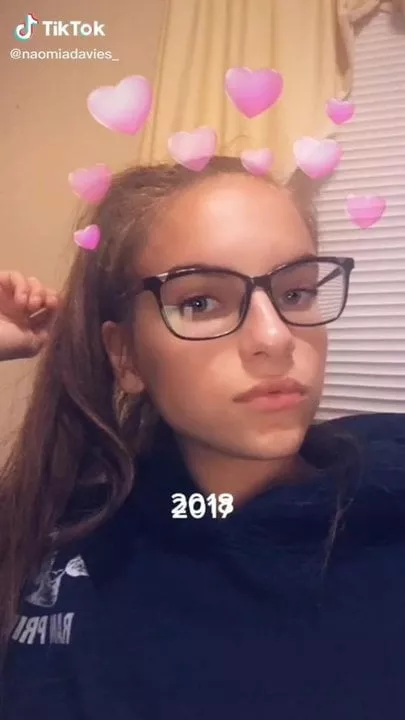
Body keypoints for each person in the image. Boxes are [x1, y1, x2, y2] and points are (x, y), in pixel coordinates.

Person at [0, 156, 404, 720]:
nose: (275, 338)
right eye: (200, 302)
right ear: (126, 355)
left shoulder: (384, 504)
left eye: (296, 293)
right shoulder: (66, 516)